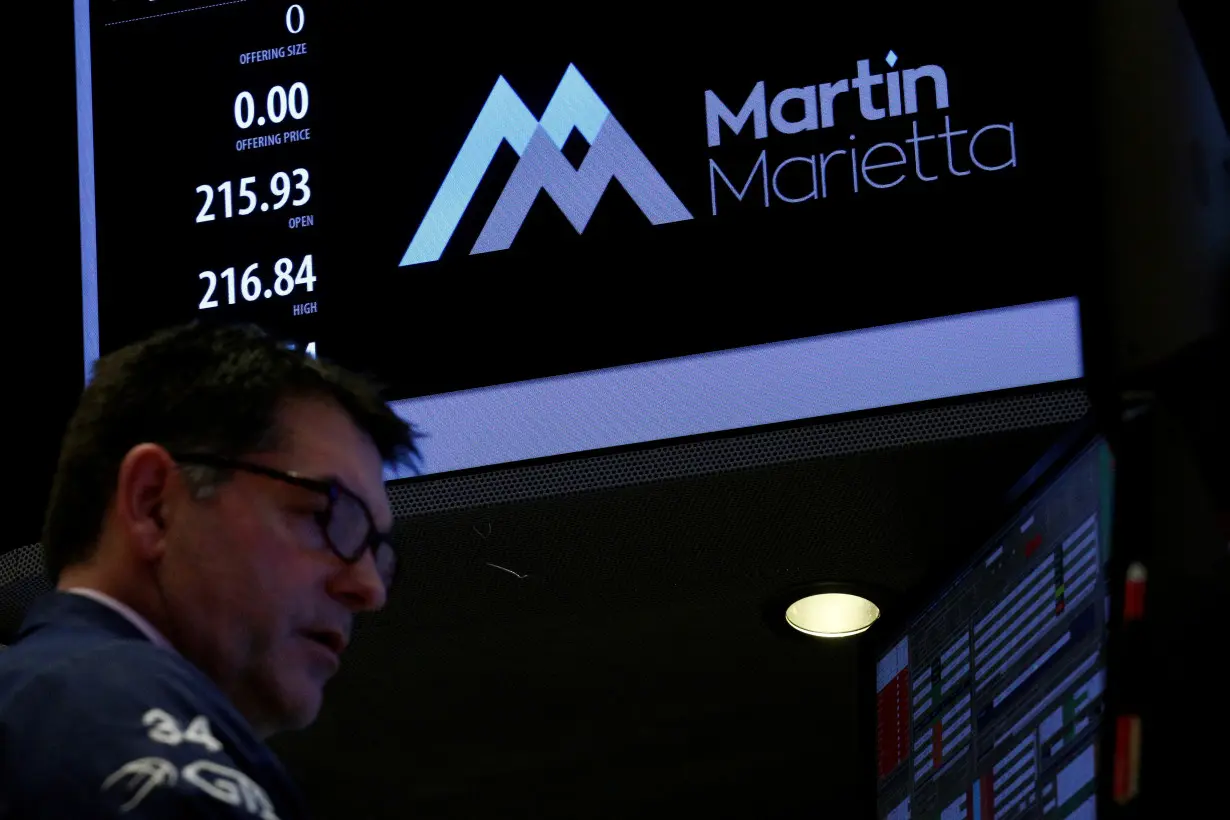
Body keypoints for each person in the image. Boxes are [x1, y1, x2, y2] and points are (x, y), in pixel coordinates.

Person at [0, 323, 419, 818]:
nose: (369, 588)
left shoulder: (41, 705)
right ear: (154, 503)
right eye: (327, 516)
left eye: (375, 548)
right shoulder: (116, 716)